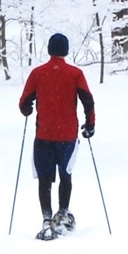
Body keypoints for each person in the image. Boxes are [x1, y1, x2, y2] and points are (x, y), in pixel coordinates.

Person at [18, 33, 96, 240]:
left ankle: (46, 218)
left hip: (43, 134)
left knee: (44, 179)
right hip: (68, 135)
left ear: (50, 49)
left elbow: (24, 102)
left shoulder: (38, 73)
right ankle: (62, 213)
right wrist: (90, 125)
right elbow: (88, 101)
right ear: (66, 51)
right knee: (65, 175)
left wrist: (28, 109)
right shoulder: (75, 74)